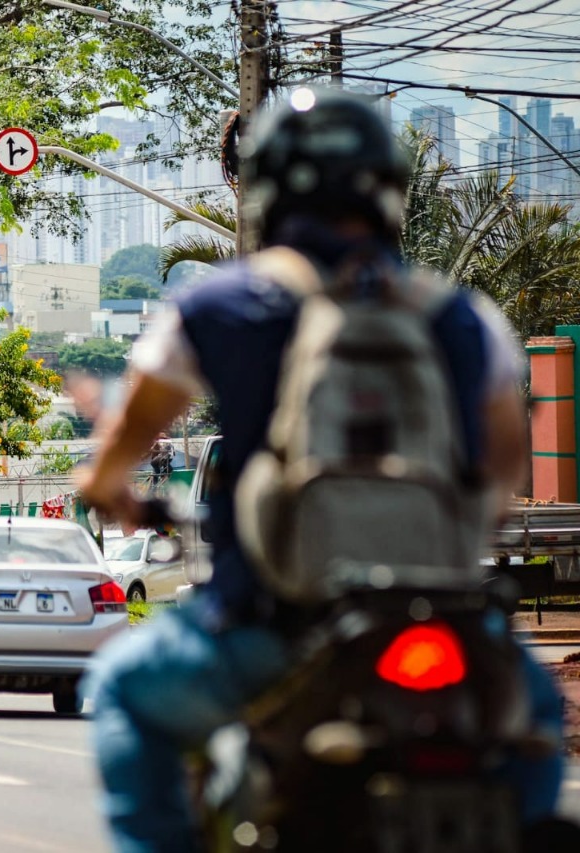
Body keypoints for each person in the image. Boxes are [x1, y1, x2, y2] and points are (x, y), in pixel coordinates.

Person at [76, 88, 564, 852]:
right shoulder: (460, 315)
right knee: (536, 720)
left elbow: (123, 446)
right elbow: (506, 465)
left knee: (123, 692)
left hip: (273, 627)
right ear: (388, 192)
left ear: (266, 189)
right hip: (443, 624)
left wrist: (107, 491)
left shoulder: (222, 305)